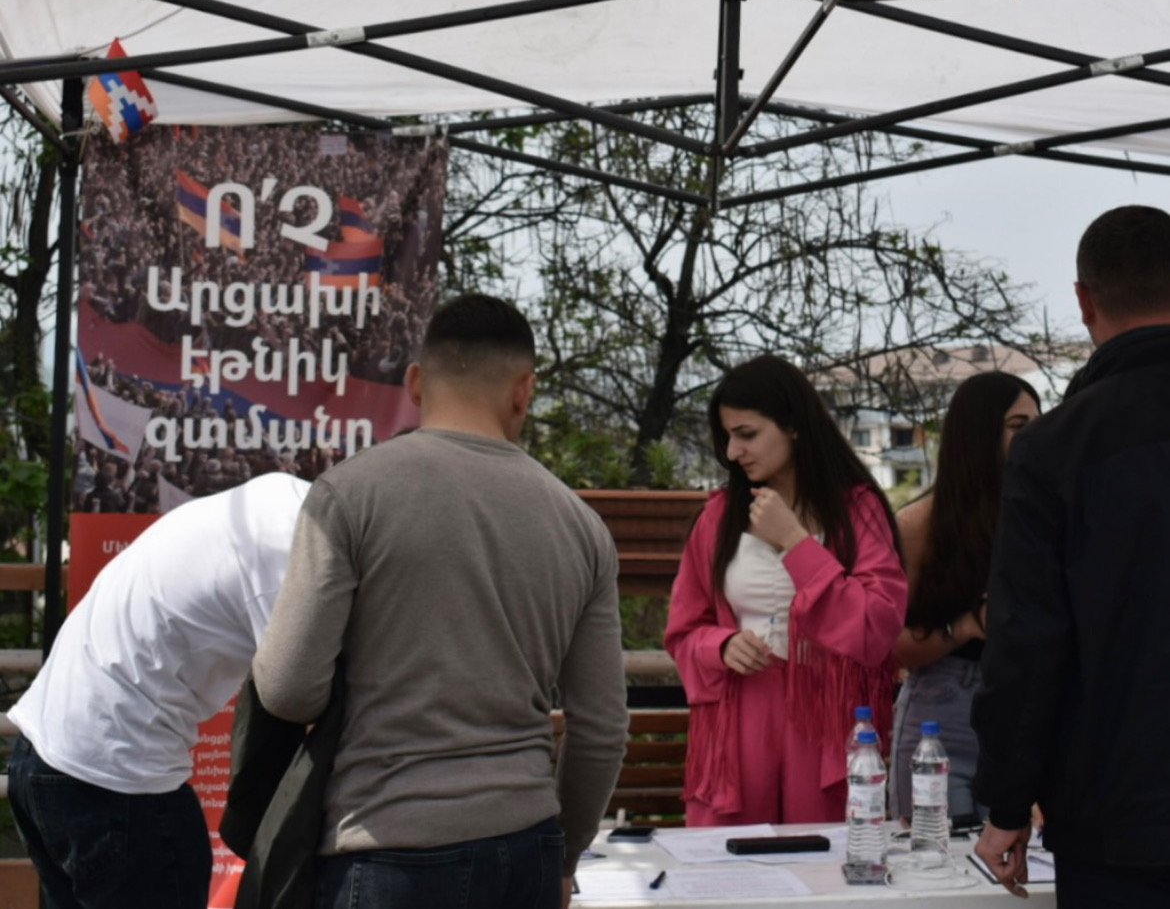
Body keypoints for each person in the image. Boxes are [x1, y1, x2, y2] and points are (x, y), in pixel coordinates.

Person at [251, 294, 628, 909]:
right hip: (525, 847)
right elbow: (604, 729)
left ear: (417, 382)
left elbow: (289, 689)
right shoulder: (581, 527)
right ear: (524, 391)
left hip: (384, 843)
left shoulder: (349, 495)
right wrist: (566, 851)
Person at [973, 205, 1170, 906]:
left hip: (1118, 818)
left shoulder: (1056, 447)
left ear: (1084, 301)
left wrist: (1004, 804)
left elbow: (1027, 643)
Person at [8, 472, 310, 909]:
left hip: (42, 759)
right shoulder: (289, 548)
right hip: (113, 780)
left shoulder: (275, 499)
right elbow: (299, 693)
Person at [664, 354, 907, 826]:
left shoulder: (859, 509)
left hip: (827, 723)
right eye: (727, 436)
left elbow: (877, 626)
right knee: (730, 877)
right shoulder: (718, 516)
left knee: (825, 875)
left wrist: (795, 542)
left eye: (747, 434)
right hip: (738, 717)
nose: (733, 451)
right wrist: (722, 644)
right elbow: (683, 631)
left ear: (794, 426)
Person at [889, 372, 1041, 822]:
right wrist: (968, 623)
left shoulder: (1046, 515)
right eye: (1019, 426)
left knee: (1022, 873)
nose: (1035, 437)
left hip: (1024, 711)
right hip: (941, 708)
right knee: (934, 867)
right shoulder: (920, 525)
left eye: (1039, 424)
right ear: (980, 433)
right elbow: (894, 645)